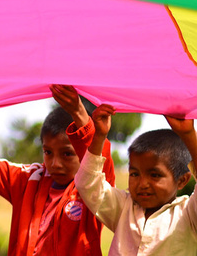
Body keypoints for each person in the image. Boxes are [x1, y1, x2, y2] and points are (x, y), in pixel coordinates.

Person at [0, 85, 112, 255]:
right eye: (48, 152)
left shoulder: (95, 190)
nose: (55, 163)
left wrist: (78, 112)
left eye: (67, 154)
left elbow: (99, 162)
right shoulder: (29, 179)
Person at [76, 105, 197, 255]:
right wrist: (99, 136)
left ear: (182, 180)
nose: (142, 184)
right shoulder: (123, 208)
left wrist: (189, 135)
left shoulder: (188, 214)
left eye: (154, 175)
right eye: (134, 174)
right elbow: (87, 183)